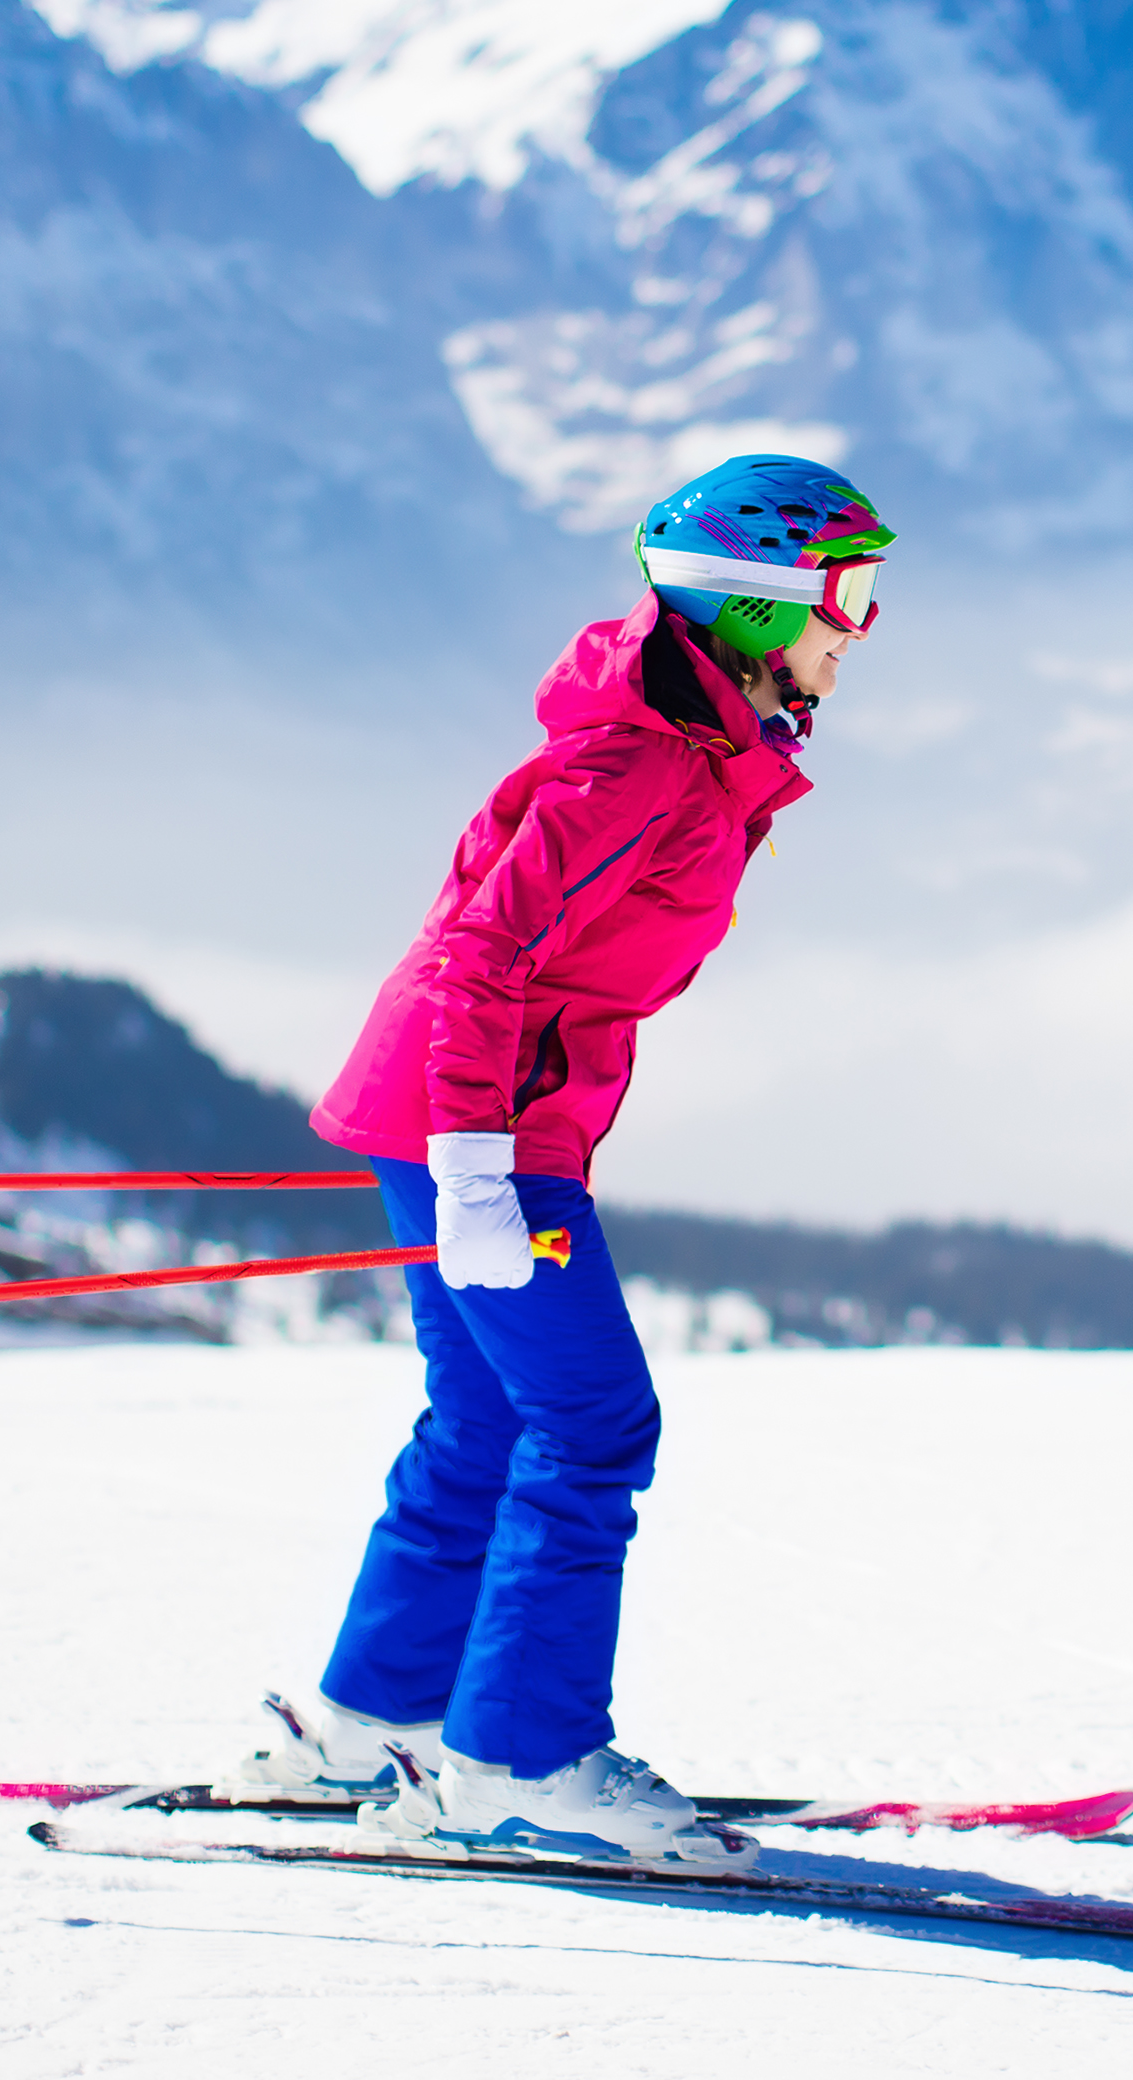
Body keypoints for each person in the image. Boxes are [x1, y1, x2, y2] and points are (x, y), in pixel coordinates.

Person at [224, 455, 895, 1868]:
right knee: (592, 1425)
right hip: (479, 1119)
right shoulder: (641, 761)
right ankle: (522, 1762)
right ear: (765, 607)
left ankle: (369, 1725)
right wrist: (477, 1169)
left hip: (462, 1112)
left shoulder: (688, 741)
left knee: (484, 1420)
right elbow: (485, 955)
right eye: (853, 593)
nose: (864, 624)